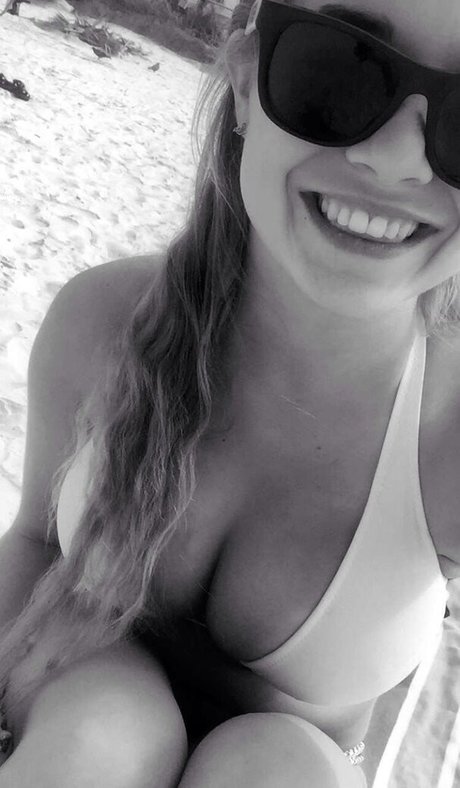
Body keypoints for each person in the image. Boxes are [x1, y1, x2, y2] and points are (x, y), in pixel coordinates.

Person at [1, 0, 460, 785]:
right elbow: (35, 544)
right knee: (104, 731)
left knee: (276, 766)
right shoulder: (102, 321)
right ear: (246, 87)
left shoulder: (448, 434)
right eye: (339, 68)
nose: (395, 160)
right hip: (64, 710)